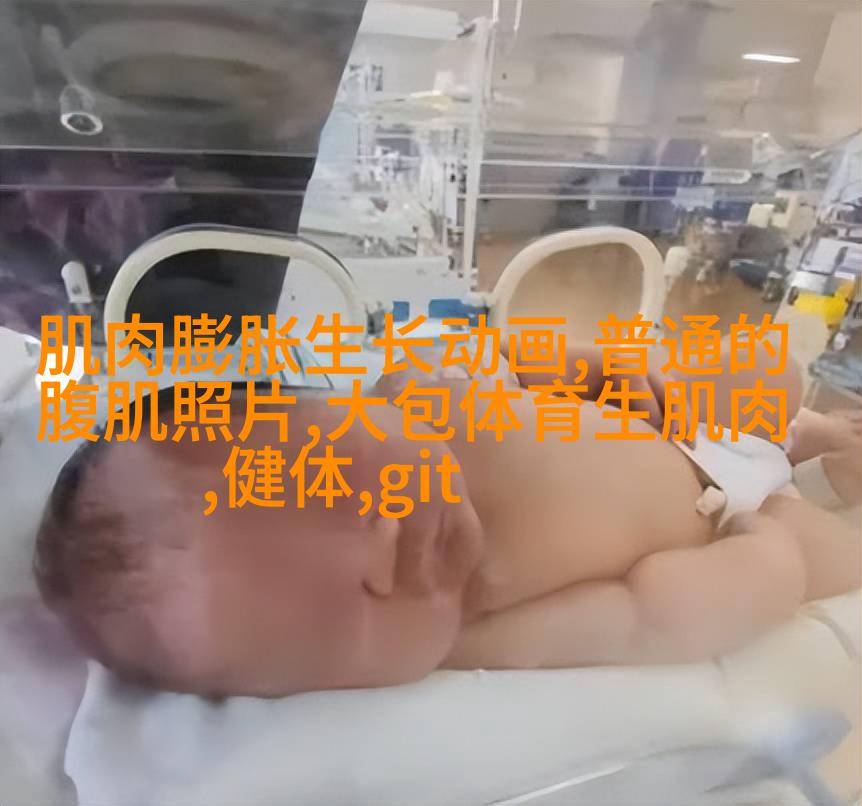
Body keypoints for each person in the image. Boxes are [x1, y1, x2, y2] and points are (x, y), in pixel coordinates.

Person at [33, 338, 861, 698]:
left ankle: (812, 431)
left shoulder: (420, 393)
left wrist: (590, 368)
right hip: (741, 517)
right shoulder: (488, 626)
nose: (388, 543)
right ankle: (815, 469)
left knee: (767, 365)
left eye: (332, 481)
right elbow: (654, 617)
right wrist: (764, 556)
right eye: (342, 617)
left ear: (336, 406)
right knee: (838, 563)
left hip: (673, 420)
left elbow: (496, 355)